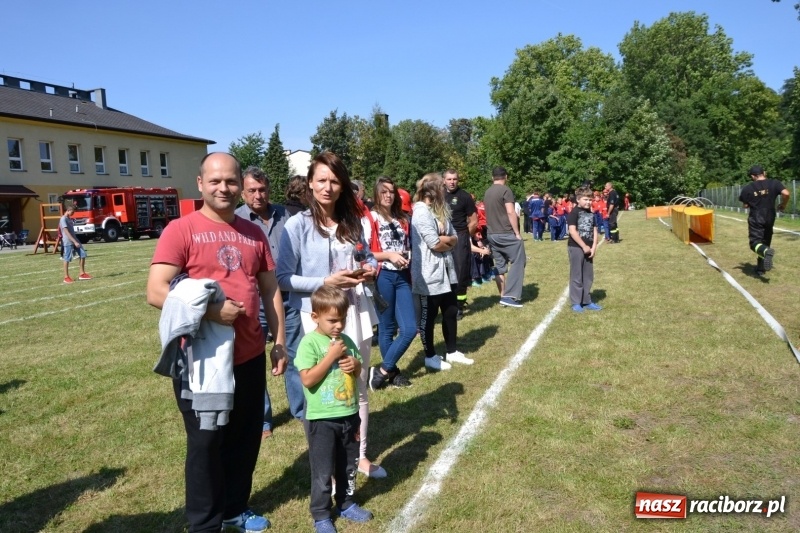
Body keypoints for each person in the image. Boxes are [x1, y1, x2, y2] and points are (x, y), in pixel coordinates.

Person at [146, 152, 287, 533]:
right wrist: (212, 311)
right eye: (215, 181)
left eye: (230, 181)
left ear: (240, 184)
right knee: (206, 443)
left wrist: (279, 341)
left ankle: (234, 510)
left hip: (249, 354)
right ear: (200, 184)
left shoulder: (253, 232)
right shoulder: (181, 229)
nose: (223, 188)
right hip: (201, 362)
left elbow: (271, 288)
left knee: (244, 439)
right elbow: (156, 291)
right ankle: (204, 525)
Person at [277, 151, 386, 479]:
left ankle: (359, 456)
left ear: (343, 186)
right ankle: (327, 457)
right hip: (316, 320)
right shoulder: (295, 226)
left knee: (358, 384)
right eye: (321, 180)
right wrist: (325, 282)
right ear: (310, 183)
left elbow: (368, 258)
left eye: (334, 181)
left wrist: (370, 269)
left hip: (355, 312)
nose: (327, 187)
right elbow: (284, 278)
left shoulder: (353, 223)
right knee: (322, 390)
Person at [296, 285, 374, 533]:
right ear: (315, 317)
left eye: (342, 319)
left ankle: (346, 502)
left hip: (349, 415)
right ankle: (320, 514)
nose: (338, 326)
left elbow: (359, 370)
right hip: (322, 419)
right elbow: (307, 379)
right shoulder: (310, 344)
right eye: (332, 320)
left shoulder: (346, 341)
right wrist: (330, 357)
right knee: (323, 470)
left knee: (347, 465)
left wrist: (356, 364)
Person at [235, 166, 301, 439]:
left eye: (263, 190)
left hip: (288, 299)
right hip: (254, 303)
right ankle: (262, 421)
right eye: (252, 190)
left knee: (295, 357)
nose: (258, 195)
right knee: (253, 362)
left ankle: (301, 411)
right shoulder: (236, 220)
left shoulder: (287, 215)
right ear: (242, 192)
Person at [411, 173, 474, 370]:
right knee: (429, 316)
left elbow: (454, 236)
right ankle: (430, 355)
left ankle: (452, 351)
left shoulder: (439, 210)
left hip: (447, 271)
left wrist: (446, 240)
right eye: (441, 188)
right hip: (430, 274)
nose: (445, 191)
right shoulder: (421, 212)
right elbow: (434, 243)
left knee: (451, 311)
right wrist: (446, 241)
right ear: (433, 191)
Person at [366, 176, 415, 390]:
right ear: (376, 193)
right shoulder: (370, 218)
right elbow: (364, 253)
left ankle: (382, 370)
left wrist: (407, 255)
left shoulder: (401, 218)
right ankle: (393, 374)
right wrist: (388, 255)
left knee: (410, 328)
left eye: (391, 192)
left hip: (403, 276)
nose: (388, 195)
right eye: (384, 191)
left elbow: (407, 245)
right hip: (383, 275)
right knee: (386, 330)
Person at [484, 166, 527, 308]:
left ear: (492, 178)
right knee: (519, 260)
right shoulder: (506, 190)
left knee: (500, 266)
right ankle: (510, 296)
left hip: (491, 234)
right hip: (505, 232)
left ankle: (502, 296)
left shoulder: (487, 192)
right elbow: (510, 212)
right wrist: (517, 233)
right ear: (506, 177)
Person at [738, 165, 790, 276]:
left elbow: (745, 205)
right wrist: (783, 204)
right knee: (765, 242)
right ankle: (760, 269)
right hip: (770, 215)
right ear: (764, 173)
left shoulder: (748, 188)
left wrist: (748, 204)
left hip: (756, 216)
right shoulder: (774, 183)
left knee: (755, 243)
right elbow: (786, 193)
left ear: (753, 176)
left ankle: (766, 253)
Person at [443, 169, 478, 321]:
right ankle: (445, 303)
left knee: (460, 271)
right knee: (443, 271)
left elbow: (474, 220)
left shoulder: (465, 197)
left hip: (460, 235)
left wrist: (463, 237)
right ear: (444, 180)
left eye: (455, 179)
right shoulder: (437, 196)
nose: (452, 182)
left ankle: (459, 305)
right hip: (442, 237)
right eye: (449, 179)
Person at [567, 186, 601, 312]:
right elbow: (572, 231)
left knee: (588, 275)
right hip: (576, 247)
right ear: (578, 199)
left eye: (590, 200)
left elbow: (595, 230)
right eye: (585, 199)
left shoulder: (591, 213)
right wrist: (583, 246)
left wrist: (593, 248)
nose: (588, 202)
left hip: (589, 248)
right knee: (577, 275)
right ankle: (576, 302)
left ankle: (586, 300)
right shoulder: (574, 213)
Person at [59, 204, 91, 283]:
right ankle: (66, 277)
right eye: (72, 212)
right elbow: (66, 232)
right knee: (67, 258)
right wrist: (74, 241)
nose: (73, 213)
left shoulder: (69, 219)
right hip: (68, 241)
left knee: (83, 254)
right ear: (68, 210)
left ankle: (82, 274)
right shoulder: (63, 219)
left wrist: (76, 240)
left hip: (75, 239)